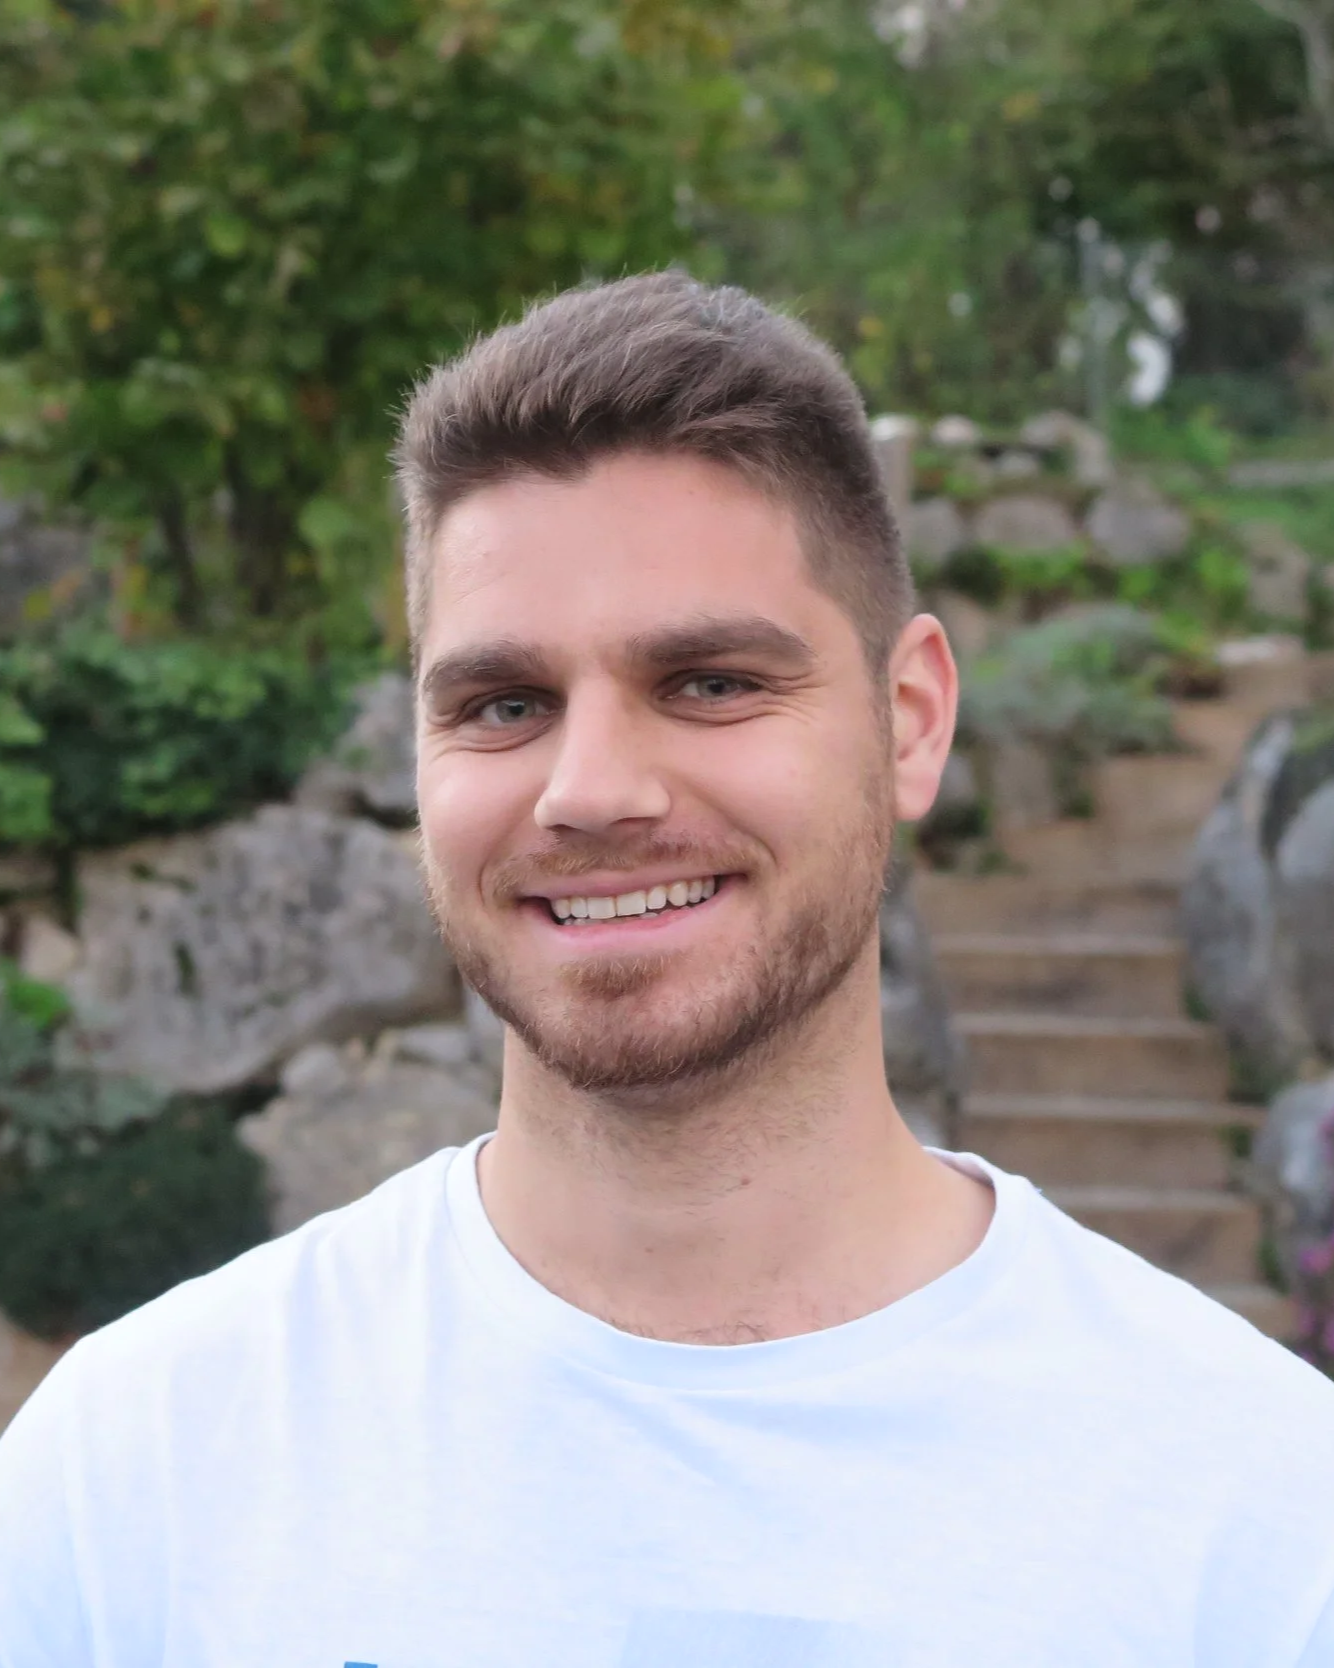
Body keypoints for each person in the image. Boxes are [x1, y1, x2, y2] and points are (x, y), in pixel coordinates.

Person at [1, 272, 1332, 1667]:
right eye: (503, 704)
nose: (587, 790)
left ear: (910, 723)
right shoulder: (130, 1483)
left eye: (710, 683)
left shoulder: (1261, 1523)